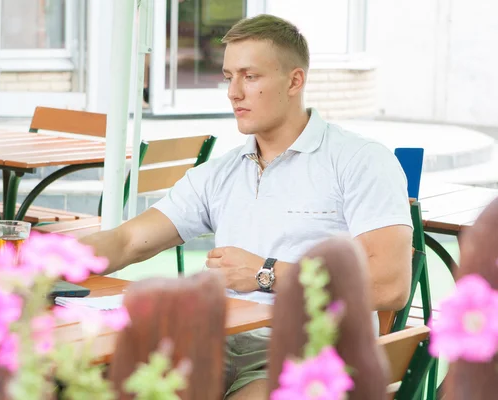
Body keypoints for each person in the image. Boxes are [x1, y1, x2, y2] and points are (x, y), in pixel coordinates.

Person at [80, 14, 413, 399]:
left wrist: (265, 273)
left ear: (294, 81)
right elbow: (126, 241)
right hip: (216, 342)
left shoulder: (359, 160)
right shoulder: (221, 173)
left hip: (307, 354)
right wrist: (44, 264)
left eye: (249, 76)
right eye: (228, 77)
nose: (233, 92)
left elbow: (390, 285)